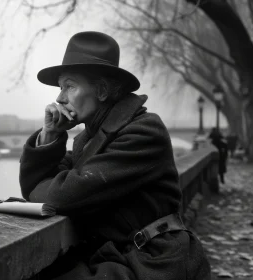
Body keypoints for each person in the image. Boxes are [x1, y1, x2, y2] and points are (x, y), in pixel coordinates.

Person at [19, 31, 210, 279]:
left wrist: (49, 189)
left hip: (155, 261)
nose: (59, 97)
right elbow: (37, 187)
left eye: (69, 85)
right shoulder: (89, 140)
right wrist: (49, 134)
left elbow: (60, 196)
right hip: (119, 256)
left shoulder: (143, 132)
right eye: (60, 87)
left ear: (101, 91)